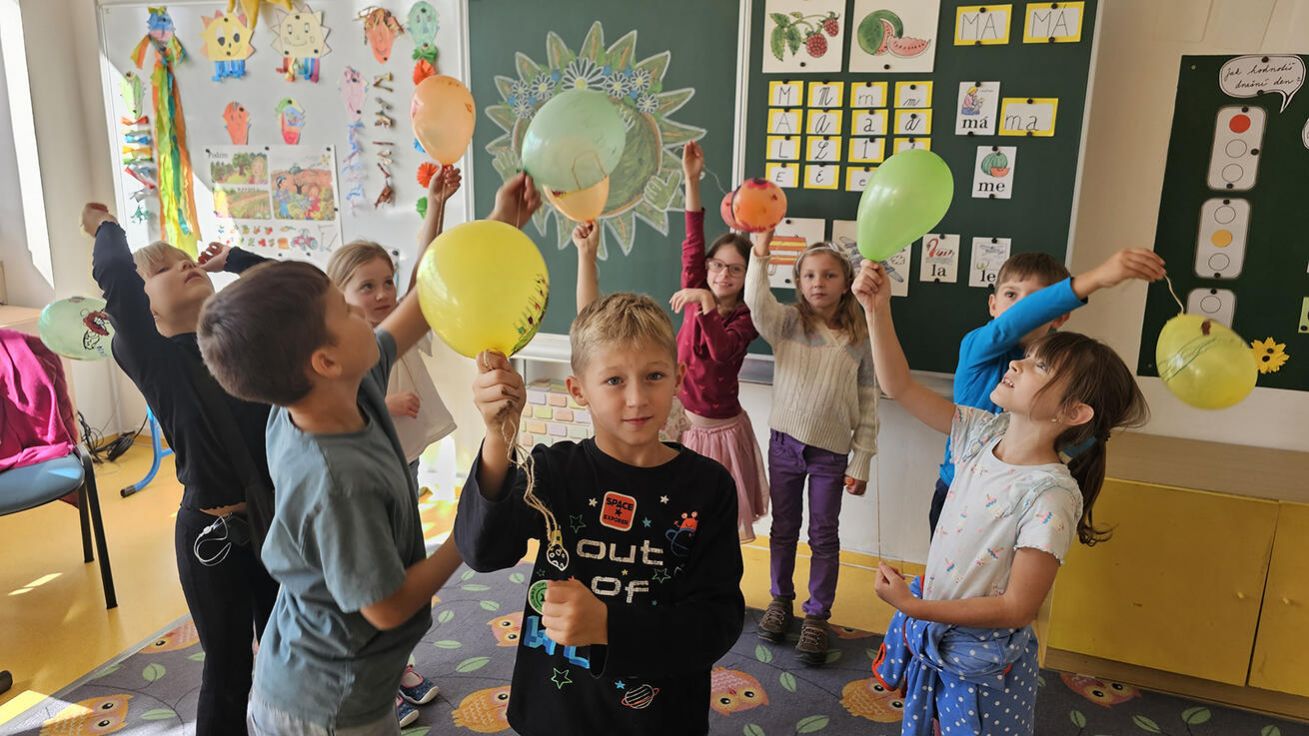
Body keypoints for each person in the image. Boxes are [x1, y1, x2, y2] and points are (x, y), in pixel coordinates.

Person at [196, 173, 541, 735]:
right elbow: (386, 607)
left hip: (329, 674)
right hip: (326, 707)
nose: (368, 313)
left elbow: (424, 302)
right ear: (325, 361)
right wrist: (464, 534)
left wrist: (500, 223)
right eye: (346, 310)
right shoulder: (338, 478)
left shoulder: (329, 389)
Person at [854, 260, 1151, 736]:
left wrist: (914, 608)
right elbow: (899, 386)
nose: (1015, 361)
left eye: (1040, 365)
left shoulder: (1050, 495)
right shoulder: (977, 433)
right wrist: (876, 309)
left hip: (983, 666)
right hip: (941, 633)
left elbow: (1016, 609)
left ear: (1074, 411)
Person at [455, 291, 745, 735]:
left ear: (679, 377)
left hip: (661, 719)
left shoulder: (709, 487)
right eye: (613, 380)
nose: (636, 399)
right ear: (578, 390)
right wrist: (498, 436)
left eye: (653, 376)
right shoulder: (553, 471)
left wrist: (610, 625)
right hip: (558, 712)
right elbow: (484, 549)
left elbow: (718, 622)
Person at [85, 204, 277, 735]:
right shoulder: (152, 355)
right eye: (164, 269)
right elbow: (118, 276)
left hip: (276, 526)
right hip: (212, 538)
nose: (185, 266)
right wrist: (103, 224)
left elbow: (296, 288)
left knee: (290, 653)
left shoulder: (242, 342)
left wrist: (234, 259)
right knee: (230, 670)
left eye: (186, 260)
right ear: (142, 305)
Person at [322, 167, 462, 726]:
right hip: (368, 479)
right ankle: (378, 684)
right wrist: (386, 405)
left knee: (408, 561)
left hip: (403, 464)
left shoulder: (390, 329)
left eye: (387, 283)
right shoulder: (345, 356)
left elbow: (426, 279)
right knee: (382, 580)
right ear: (339, 297)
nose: (383, 295)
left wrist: (435, 207)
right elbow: (340, 418)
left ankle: (399, 665)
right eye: (367, 287)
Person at [927, 249, 1167, 536]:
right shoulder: (978, 348)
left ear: (1059, 317)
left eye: (1036, 300)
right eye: (1011, 295)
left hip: (1017, 500)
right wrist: (1095, 279)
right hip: (960, 491)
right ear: (992, 304)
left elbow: (1070, 434)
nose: (1021, 307)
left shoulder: (1059, 377)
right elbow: (1010, 326)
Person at [742, 230, 878, 664]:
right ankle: (780, 600)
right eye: (809, 275)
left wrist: (863, 456)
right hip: (785, 443)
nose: (818, 282)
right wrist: (760, 255)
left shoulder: (859, 336)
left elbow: (868, 399)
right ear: (799, 282)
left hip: (831, 453)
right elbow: (755, 303)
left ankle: (817, 616)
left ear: (845, 281)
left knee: (823, 534)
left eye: (829, 274)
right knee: (783, 529)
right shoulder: (786, 323)